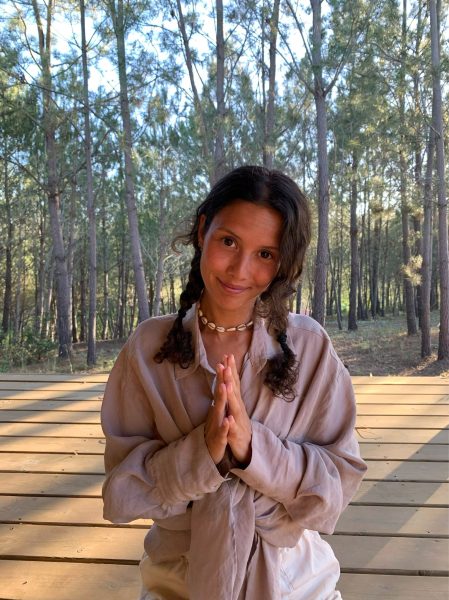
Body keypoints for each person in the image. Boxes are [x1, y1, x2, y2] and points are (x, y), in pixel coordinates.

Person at [101, 165, 367, 600]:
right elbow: (122, 491)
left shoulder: (309, 347)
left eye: (265, 254)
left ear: (284, 263)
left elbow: (338, 484)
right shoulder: (149, 349)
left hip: (295, 578)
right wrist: (202, 454)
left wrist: (252, 449)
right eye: (228, 241)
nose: (240, 269)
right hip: (177, 577)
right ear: (203, 230)